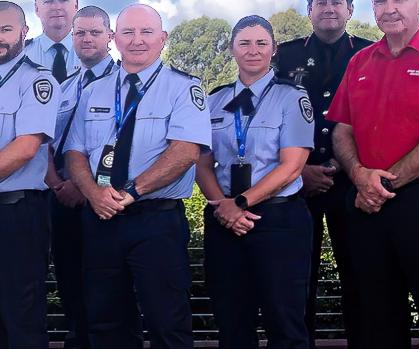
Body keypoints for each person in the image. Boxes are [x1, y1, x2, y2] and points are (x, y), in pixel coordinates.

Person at [64, 4, 211, 348]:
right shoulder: (93, 92)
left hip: (155, 221)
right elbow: (74, 153)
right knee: (105, 322)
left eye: (147, 32)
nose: (138, 40)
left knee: (167, 322)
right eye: (128, 32)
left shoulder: (184, 88)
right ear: (115, 39)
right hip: (101, 219)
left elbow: (186, 151)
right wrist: (92, 193)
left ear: (163, 39)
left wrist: (130, 192)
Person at [327, 0, 419, 348]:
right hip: (367, 201)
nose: (389, 9)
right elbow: (341, 131)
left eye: (399, 0)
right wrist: (360, 175)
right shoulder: (359, 62)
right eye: (379, 1)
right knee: (376, 313)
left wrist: (380, 183)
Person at [197, 15, 314, 349]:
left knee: (285, 323)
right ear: (232, 49)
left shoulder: (292, 97)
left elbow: (292, 166)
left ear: (274, 49)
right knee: (231, 322)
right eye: (244, 43)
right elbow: (201, 162)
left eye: (261, 43)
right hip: (224, 220)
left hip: (277, 220)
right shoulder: (214, 101)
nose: (253, 50)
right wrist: (223, 206)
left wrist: (241, 204)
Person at [272, 1, 372, 345]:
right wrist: (298, 173)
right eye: (321, 2)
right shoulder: (283, 56)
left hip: (353, 185)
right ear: (309, 11)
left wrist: (345, 164)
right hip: (297, 185)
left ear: (350, 10)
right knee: (298, 280)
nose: (329, 8)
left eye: (337, 2)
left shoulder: (370, 53)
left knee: (361, 278)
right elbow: (269, 120)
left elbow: (376, 120)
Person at [45, 5, 118, 349]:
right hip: (60, 199)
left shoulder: (125, 84)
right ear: (72, 38)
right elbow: (46, 140)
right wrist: (57, 183)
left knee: (105, 289)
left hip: (103, 199)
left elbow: (120, 145)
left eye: (95, 32)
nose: (87, 39)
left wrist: (83, 186)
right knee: (69, 281)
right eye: (81, 33)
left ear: (110, 37)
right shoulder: (63, 87)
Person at [0, 2, 60, 348]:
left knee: (20, 316)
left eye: (7, 29)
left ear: (25, 32)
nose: (0, 37)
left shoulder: (38, 80)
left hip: (15, 214)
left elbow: (25, 148)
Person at [25, 0, 80, 83]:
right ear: (37, 9)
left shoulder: (94, 54)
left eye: (63, 1)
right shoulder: (21, 55)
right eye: (48, 1)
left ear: (76, 6)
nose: (57, 7)